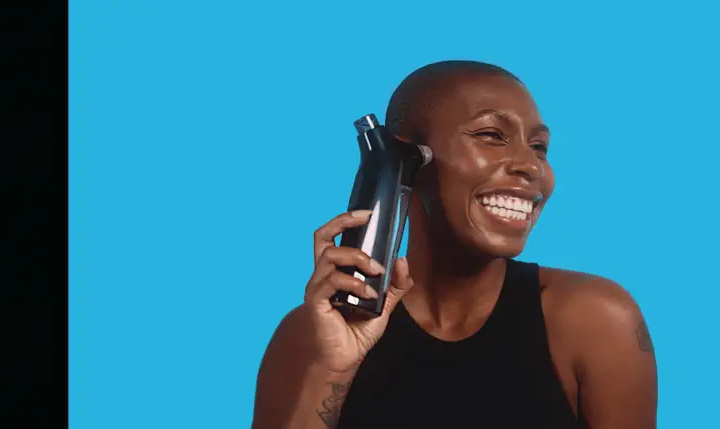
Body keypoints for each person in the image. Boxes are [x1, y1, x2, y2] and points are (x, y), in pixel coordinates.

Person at [252, 60, 657, 429]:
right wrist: (332, 370)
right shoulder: (309, 337)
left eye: (539, 147)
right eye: (491, 135)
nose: (531, 166)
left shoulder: (594, 321)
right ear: (405, 159)